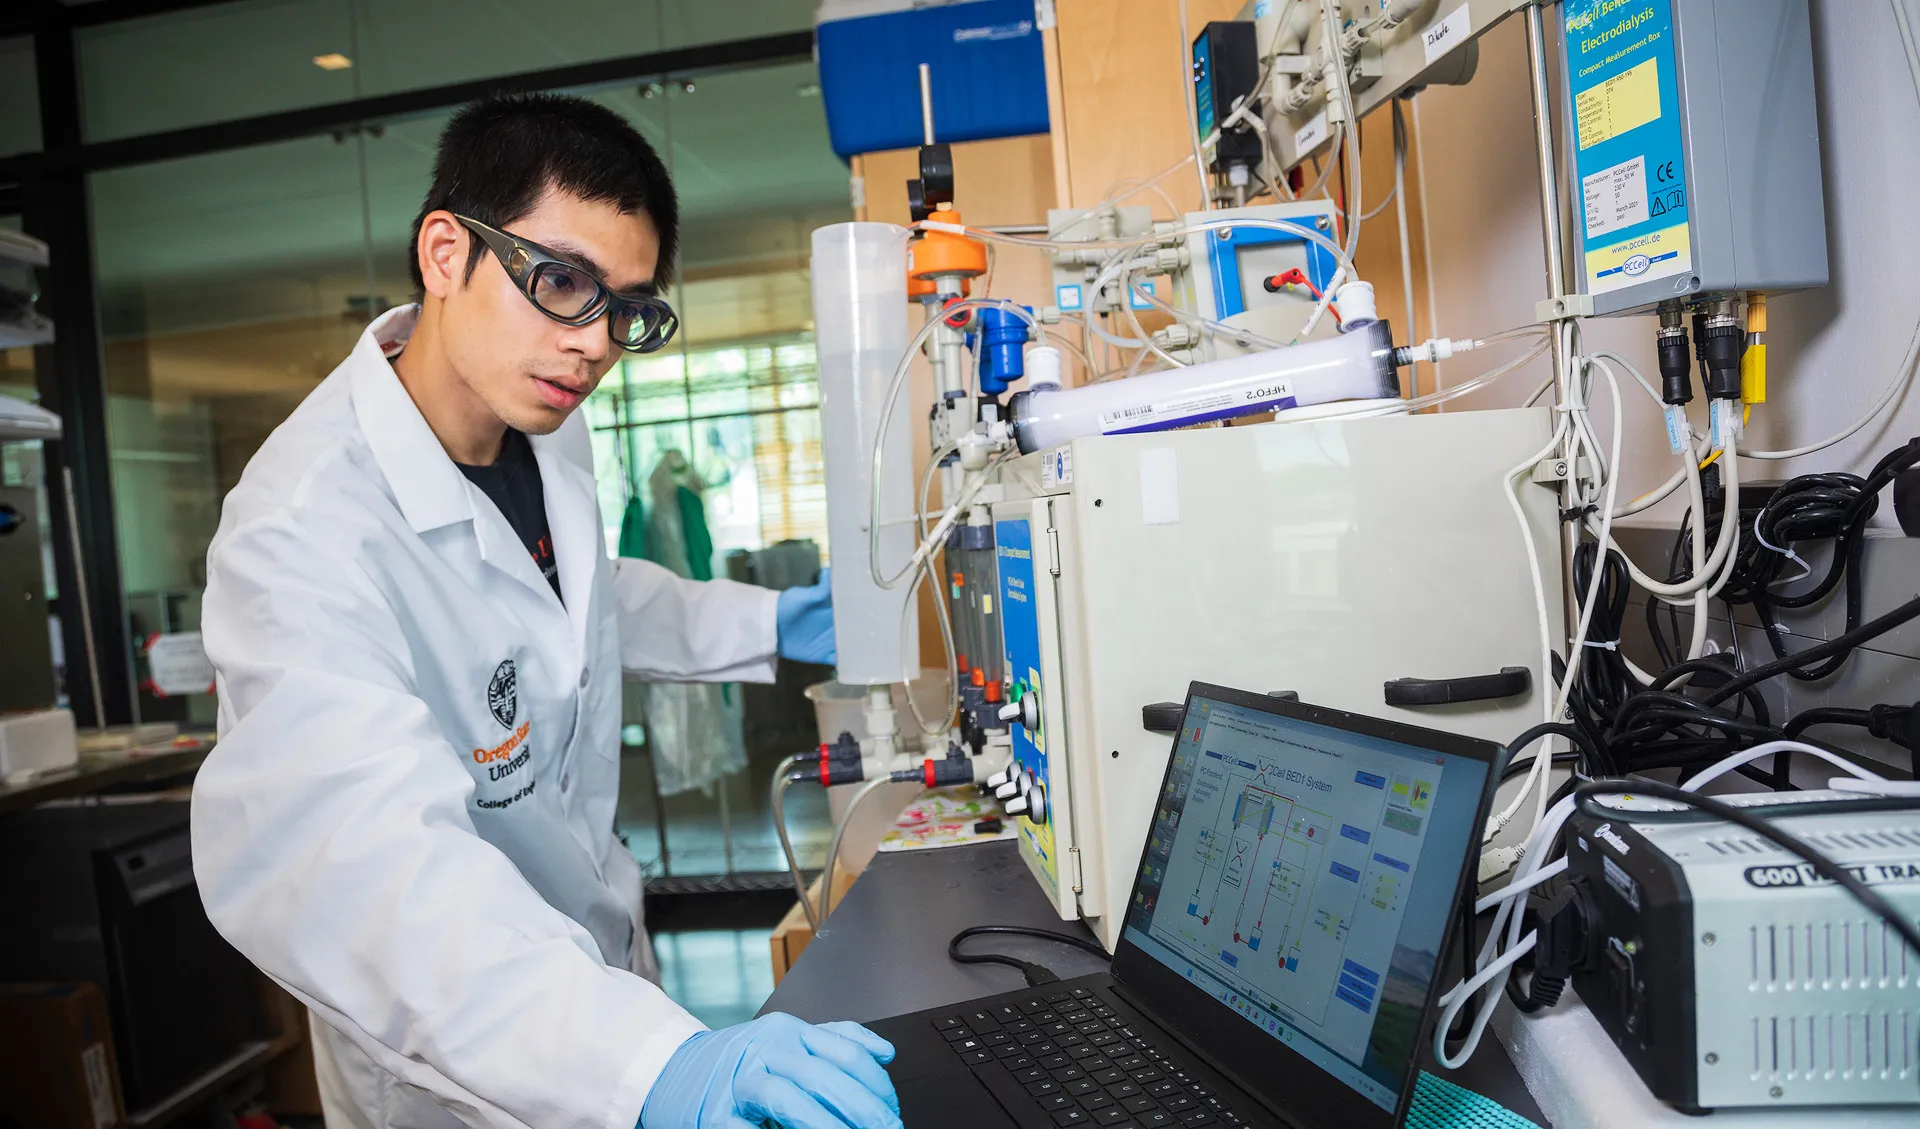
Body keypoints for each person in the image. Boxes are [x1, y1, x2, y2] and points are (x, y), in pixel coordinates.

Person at [190, 94, 897, 1129]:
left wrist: (771, 619)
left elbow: (577, 601)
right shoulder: (301, 533)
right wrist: (655, 1068)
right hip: (462, 1049)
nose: (595, 343)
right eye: (561, 282)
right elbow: (362, 870)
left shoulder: (544, 423)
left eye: (627, 307)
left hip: (596, 962)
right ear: (445, 253)